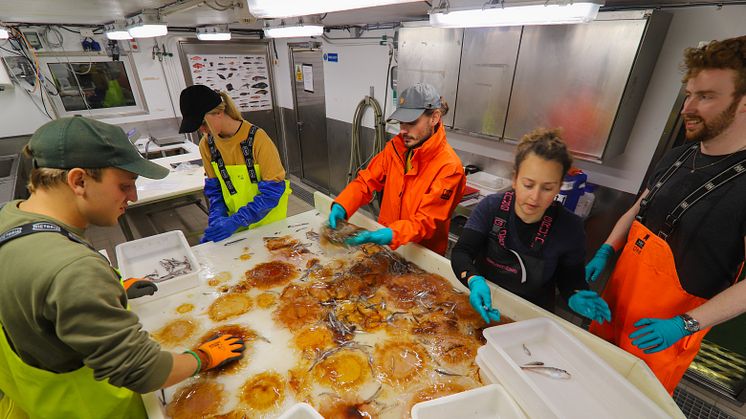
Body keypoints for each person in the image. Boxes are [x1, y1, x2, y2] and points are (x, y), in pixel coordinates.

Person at [0, 116, 246, 419]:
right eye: (124, 185)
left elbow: (40, 304)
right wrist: (204, 356)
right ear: (78, 181)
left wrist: (109, 293)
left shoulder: (11, 220)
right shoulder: (73, 271)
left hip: (30, 398)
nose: (133, 196)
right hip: (91, 408)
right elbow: (143, 371)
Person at [586, 35, 746, 394]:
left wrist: (685, 324)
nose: (687, 107)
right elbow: (639, 206)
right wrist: (608, 247)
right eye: (689, 94)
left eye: (705, 96)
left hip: (664, 336)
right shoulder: (677, 156)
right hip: (613, 310)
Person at [451, 128, 611, 325]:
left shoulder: (570, 227)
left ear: (559, 186)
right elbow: (462, 251)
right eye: (528, 185)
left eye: (547, 188)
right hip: (485, 301)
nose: (535, 198)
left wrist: (575, 295)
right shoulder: (491, 207)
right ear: (515, 179)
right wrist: (473, 280)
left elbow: (571, 279)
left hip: (531, 317)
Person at [329, 83, 466, 255]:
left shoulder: (449, 168)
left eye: (411, 122)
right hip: (389, 246)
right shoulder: (395, 148)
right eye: (401, 122)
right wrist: (342, 205)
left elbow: (426, 221)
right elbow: (366, 180)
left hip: (421, 254)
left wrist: (390, 234)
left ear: (435, 118)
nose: (403, 130)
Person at [179, 85, 291, 243]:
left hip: (269, 224)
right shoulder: (207, 145)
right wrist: (217, 218)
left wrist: (236, 221)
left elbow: (271, 193)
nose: (202, 130)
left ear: (218, 113)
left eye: (203, 124)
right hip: (235, 226)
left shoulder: (257, 139)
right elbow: (215, 189)